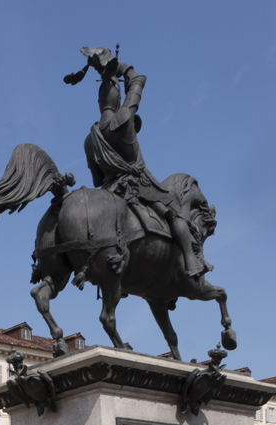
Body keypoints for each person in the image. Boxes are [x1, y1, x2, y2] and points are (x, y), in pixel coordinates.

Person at [80, 50, 208, 279]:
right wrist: (118, 66)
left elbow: (97, 180)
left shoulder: (90, 139)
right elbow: (138, 79)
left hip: (109, 191)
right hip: (138, 185)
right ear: (118, 99)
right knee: (174, 212)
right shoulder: (123, 119)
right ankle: (192, 262)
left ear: (99, 101)